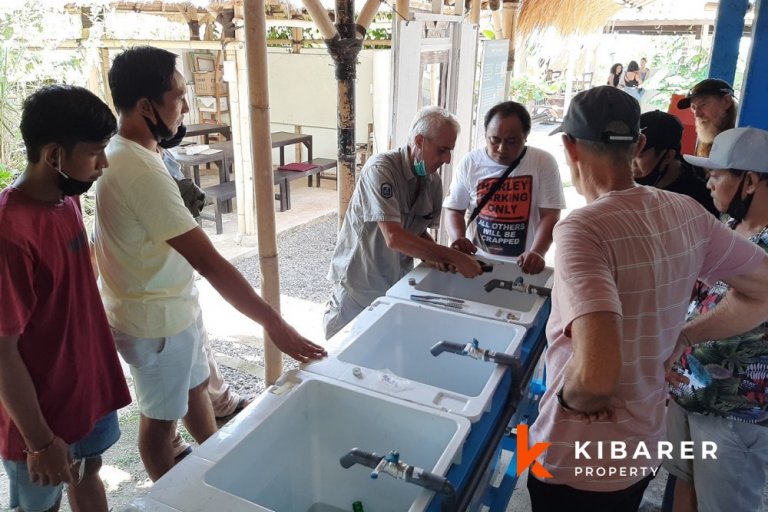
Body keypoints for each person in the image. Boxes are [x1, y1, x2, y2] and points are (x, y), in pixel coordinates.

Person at [526, 85, 768, 511]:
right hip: (641, 450)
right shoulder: (686, 212)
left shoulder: (582, 229)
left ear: (570, 147)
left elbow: (595, 377)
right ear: (638, 145)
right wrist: (685, 336)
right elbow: (763, 288)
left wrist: (571, 397)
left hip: (573, 453)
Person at [94, 46, 326, 481]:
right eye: (179, 97)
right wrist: (274, 325)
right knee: (160, 423)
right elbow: (211, 263)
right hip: (154, 321)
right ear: (146, 106)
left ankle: (219, 467)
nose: (185, 108)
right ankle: (172, 498)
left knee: (197, 386)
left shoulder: (138, 152)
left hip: (173, 306)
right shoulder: (136, 168)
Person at [0, 85, 131, 512]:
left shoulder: (66, 199)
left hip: (85, 390)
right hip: (40, 415)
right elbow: (3, 352)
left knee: (88, 472)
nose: (103, 163)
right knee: (42, 504)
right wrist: (39, 442)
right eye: (95, 152)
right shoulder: (10, 233)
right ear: (55, 155)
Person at [664, 128, 768, 512]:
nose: (708, 183)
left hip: (734, 410)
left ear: (750, 181)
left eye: (716, 175)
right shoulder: (728, 227)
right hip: (689, 391)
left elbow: (750, 302)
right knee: (685, 482)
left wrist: (682, 337)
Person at [323, 106, 483, 340]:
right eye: (442, 150)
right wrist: (454, 258)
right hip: (357, 291)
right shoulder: (381, 169)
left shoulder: (432, 182)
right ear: (419, 141)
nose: (448, 159)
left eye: (449, 151)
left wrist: (443, 256)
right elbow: (395, 237)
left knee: (382, 353)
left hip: (395, 289)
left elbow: (417, 232)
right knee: (341, 354)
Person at [442, 101, 566, 273]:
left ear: (526, 137)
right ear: (486, 135)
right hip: (477, 262)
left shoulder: (542, 162)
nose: (502, 148)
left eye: (512, 141)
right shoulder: (470, 162)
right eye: (495, 140)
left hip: (523, 266)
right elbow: (454, 209)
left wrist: (537, 252)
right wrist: (459, 239)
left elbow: (550, 215)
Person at [632, 110, 717, 216]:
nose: (630, 162)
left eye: (639, 155)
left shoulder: (699, 200)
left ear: (668, 156)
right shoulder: (625, 183)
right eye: (627, 152)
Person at [677, 78, 737, 157]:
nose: (697, 114)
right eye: (693, 107)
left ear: (726, 101)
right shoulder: (708, 138)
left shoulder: (744, 142)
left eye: (703, 105)